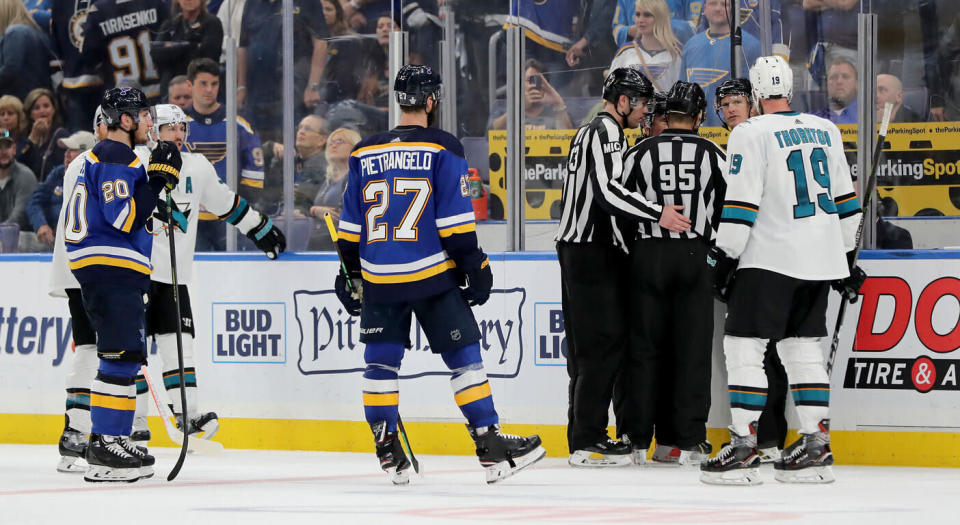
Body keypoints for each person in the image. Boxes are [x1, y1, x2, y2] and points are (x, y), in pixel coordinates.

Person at [334, 64, 545, 485]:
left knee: (379, 366)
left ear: (399, 100)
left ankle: (387, 449)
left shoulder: (363, 151)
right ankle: (489, 445)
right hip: (431, 275)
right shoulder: (444, 146)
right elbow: (454, 223)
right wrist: (475, 267)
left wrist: (350, 275)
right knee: (464, 359)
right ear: (431, 102)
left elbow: (350, 230)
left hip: (379, 278)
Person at [700, 56, 865, 485]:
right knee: (803, 350)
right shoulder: (826, 129)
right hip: (820, 259)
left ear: (755, 94)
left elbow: (740, 208)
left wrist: (722, 258)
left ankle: (743, 445)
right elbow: (849, 205)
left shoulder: (749, 132)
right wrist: (846, 259)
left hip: (768, 258)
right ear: (789, 89)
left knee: (743, 348)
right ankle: (815, 443)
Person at [556, 67, 690, 467]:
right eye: (642, 101)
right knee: (602, 345)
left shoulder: (598, 132)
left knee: (589, 349)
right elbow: (609, 193)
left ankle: (583, 435)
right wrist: (657, 213)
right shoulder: (605, 132)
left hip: (583, 249)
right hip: (589, 251)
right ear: (622, 100)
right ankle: (587, 439)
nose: (646, 109)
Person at [129, 104, 285, 442]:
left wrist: (258, 228)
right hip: (135, 272)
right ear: (153, 130)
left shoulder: (197, 166)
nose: (180, 135)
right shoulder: (133, 162)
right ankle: (134, 419)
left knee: (179, 344)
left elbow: (224, 202)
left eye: (183, 128)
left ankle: (187, 412)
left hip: (174, 275)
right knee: (132, 349)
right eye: (172, 128)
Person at [62, 87, 182, 482]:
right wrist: (158, 183)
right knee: (117, 356)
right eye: (143, 115)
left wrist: (153, 181)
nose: (150, 122)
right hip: (109, 266)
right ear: (124, 120)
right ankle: (104, 445)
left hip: (108, 266)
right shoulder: (116, 154)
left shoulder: (106, 156)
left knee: (127, 355)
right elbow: (124, 217)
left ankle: (111, 436)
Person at [618, 81, 725, 467]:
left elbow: (619, 204)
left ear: (664, 115)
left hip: (647, 256)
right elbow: (732, 207)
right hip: (695, 256)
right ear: (699, 117)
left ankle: (636, 439)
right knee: (691, 351)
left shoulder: (638, 152)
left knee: (644, 349)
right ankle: (687, 440)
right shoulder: (714, 153)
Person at [714, 77, 789, 462]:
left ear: (755, 102)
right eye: (723, 103)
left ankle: (770, 439)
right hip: (744, 264)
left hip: (767, 262)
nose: (730, 108)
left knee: (770, 354)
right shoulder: (727, 149)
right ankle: (752, 436)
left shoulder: (763, 143)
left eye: (737, 101)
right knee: (749, 356)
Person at [53, 107, 107, 474]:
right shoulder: (93, 164)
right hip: (90, 270)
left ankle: (79, 434)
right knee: (95, 348)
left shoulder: (82, 165)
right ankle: (81, 433)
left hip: (81, 269)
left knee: (92, 347)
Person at [183, 58, 265, 250]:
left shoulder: (238, 123)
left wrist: (236, 205)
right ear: (190, 85)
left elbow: (255, 169)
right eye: (203, 83)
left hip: (229, 217)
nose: (209, 89)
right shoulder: (176, 124)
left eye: (214, 84)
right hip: (188, 216)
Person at [237, 0, 328, 140]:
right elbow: (243, 46)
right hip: (257, 85)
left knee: (291, 136)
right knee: (257, 139)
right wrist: (241, 86)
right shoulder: (252, 3)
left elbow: (320, 42)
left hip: (293, 84)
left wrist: (313, 85)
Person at [680, 0, 761, 127]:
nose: (718, 9)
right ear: (705, 8)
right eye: (713, 4)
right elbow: (683, 94)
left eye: (724, 4)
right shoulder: (691, 45)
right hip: (697, 131)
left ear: (734, 9)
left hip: (735, 130)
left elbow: (757, 96)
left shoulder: (751, 46)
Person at [77, 0, 169, 101]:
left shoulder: (98, 10)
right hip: (159, 89)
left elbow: (89, 57)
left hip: (121, 97)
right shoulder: (156, 3)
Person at [26, 131, 97, 251]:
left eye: (72, 150)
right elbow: (34, 201)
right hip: (52, 241)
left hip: (85, 244)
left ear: (86, 154)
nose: (66, 154)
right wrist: (41, 225)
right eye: (66, 150)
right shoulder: (58, 173)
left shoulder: (96, 180)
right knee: (22, 240)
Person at [151, 0, 224, 99]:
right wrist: (192, 46)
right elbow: (155, 53)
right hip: (172, 86)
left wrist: (173, 47)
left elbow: (208, 57)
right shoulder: (171, 24)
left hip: (200, 86)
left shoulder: (212, 22)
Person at [610, 0, 684, 93]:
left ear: (660, 18)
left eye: (647, 15)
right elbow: (610, 95)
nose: (640, 20)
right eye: (637, 15)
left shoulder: (677, 54)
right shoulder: (625, 53)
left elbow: (684, 97)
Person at [306, 127, 360, 250]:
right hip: (320, 239)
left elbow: (345, 212)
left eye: (340, 141)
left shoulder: (357, 176)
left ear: (355, 146)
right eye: (330, 142)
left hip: (340, 242)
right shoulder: (326, 179)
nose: (333, 145)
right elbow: (305, 202)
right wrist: (314, 210)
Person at [492, 59, 573, 131]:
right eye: (529, 80)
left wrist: (558, 103)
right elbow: (489, 137)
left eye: (537, 80)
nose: (533, 85)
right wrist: (518, 109)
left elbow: (568, 138)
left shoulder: (557, 110)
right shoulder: (503, 108)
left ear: (546, 83)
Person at [0, 0, 53, 101]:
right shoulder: (37, 32)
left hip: (21, 100)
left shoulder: (15, 32)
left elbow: (10, 70)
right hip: (36, 98)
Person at [18, 88, 69, 181]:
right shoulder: (23, 135)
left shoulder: (62, 135)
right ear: (30, 114)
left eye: (46, 106)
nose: (42, 111)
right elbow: (18, 164)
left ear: (53, 109)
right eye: (36, 108)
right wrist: (32, 139)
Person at [0, 128, 37, 234]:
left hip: (22, 235)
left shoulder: (26, 176)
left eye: (7, 147)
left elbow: (20, 217)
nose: (3, 152)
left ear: (14, 149)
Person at [813, 58, 857, 125]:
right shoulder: (813, 118)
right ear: (826, 84)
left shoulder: (868, 115)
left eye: (845, 77)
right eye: (833, 77)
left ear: (856, 83)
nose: (839, 81)